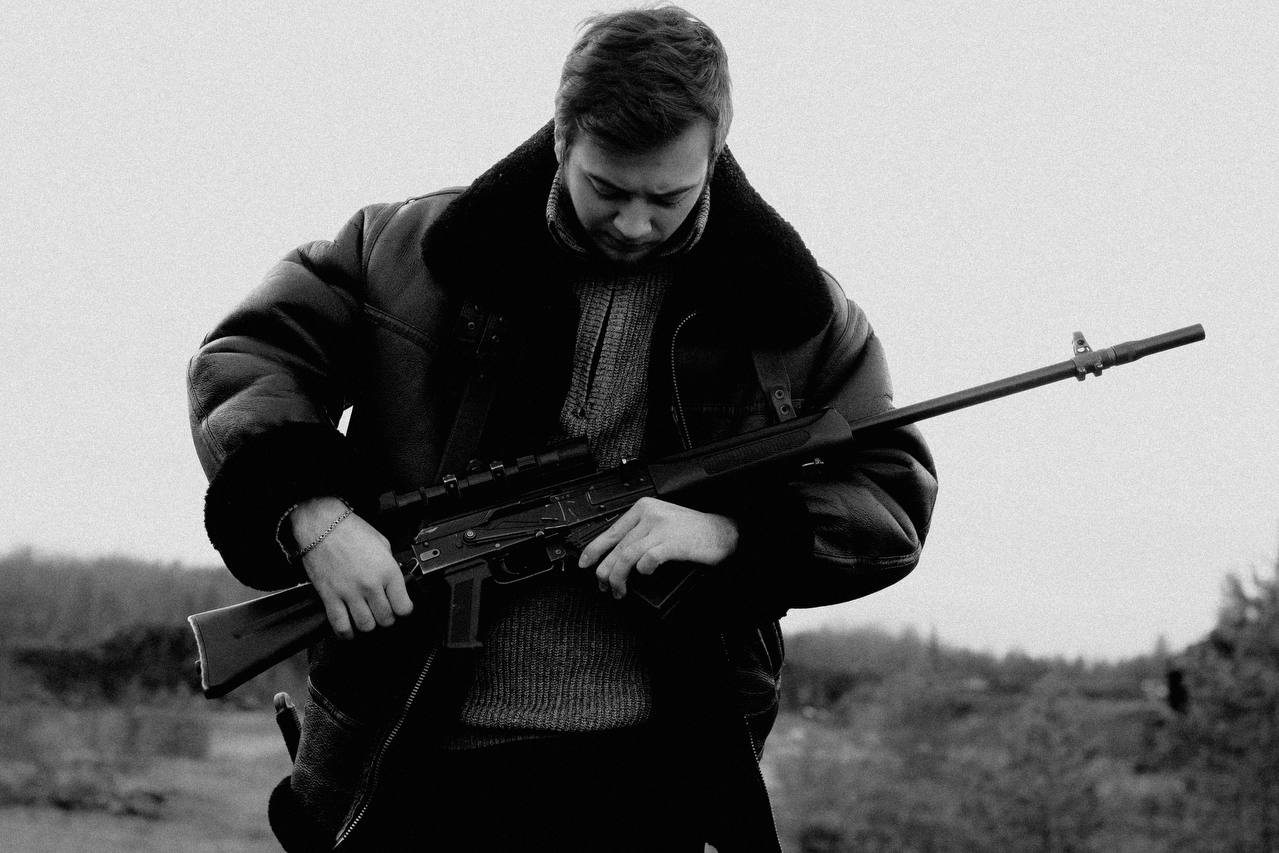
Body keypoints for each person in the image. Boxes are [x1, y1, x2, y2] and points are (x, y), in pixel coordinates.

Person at [188, 6, 937, 851]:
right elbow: (246, 358)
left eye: (668, 196)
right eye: (606, 189)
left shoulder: (796, 313)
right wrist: (314, 513)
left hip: (650, 777)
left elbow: (889, 493)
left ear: (716, 149)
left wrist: (729, 534)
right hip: (406, 758)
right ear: (562, 136)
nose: (634, 223)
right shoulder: (399, 249)